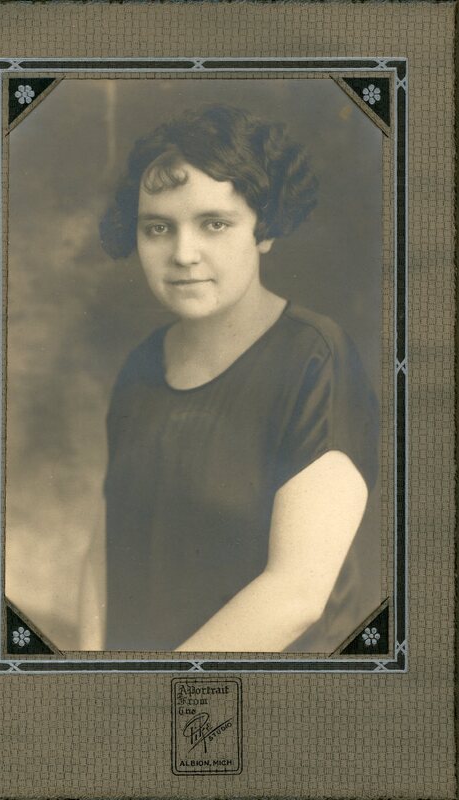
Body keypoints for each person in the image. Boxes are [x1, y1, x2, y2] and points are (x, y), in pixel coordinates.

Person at [98, 104, 379, 653]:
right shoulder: (141, 366)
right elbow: (106, 545)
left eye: (214, 224)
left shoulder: (316, 360)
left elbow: (295, 594)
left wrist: (149, 692)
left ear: (266, 230)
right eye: (158, 228)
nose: (182, 254)